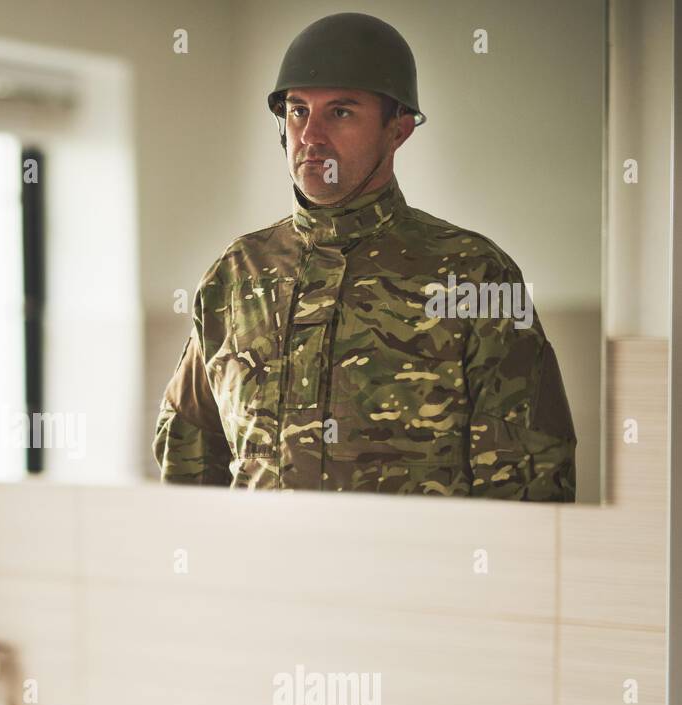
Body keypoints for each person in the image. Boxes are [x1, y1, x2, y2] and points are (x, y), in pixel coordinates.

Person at [154, 12, 577, 499]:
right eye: (297, 111)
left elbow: (532, 478)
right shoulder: (236, 275)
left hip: (414, 573)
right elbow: (187, 452)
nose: (311, 135)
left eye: (341, 112)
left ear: (397, 130)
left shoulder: (475, 276)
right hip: (261, 571)